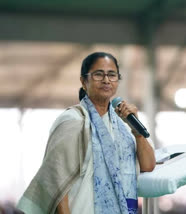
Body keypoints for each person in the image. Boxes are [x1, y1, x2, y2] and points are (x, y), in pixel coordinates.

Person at [17, 52, 156, 214]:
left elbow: (148, 165)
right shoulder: (73, 120)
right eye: (98, 74)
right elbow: (57, 179)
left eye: (112, 75)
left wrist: (137, 133)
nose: (106, 80)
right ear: (84, 81)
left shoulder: (124, 128)